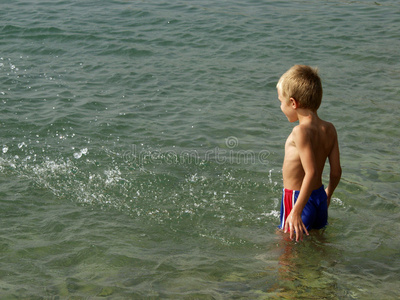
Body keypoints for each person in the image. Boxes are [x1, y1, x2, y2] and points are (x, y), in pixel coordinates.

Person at [276, 65, 342, 242]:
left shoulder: (300, 132)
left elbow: (311, 172)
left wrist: (296, 211)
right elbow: (336, 172)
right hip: (319, 198)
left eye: (281, 102)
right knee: (318, 246)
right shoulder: (329, 129)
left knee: (286, 250)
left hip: (298, 199)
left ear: (293, 103)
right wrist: (327, 195)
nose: (281, 107)